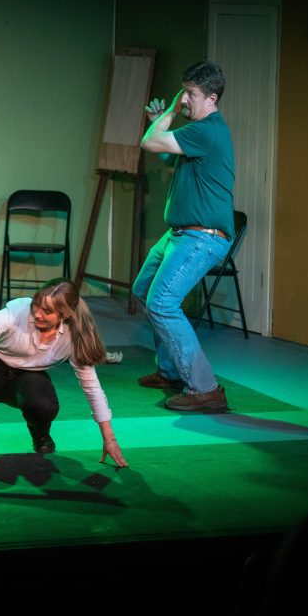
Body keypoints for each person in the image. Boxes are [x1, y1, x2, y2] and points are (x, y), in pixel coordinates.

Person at [0, 280, 127, 466]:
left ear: (64, 314)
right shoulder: (18, 310)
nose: (38, 314)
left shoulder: (73, 336)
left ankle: (41, 436)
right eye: (37, 305)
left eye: (47, 311)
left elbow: (92, 387)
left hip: (28, 376)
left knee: (45, 404)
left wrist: (109, 439)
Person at [135, 60, 235, 411]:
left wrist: (170, 112)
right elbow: (168, 157)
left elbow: (150, 143)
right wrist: (158, 121)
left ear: (211, 98)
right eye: (184, 92)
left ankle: (205, 388)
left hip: (201, 238)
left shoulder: (208, 130)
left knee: (162, 302)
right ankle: (170, 371)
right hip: (180, 234)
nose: (184, 99)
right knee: (145, 290)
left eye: (190, 93)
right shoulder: (200, 133)